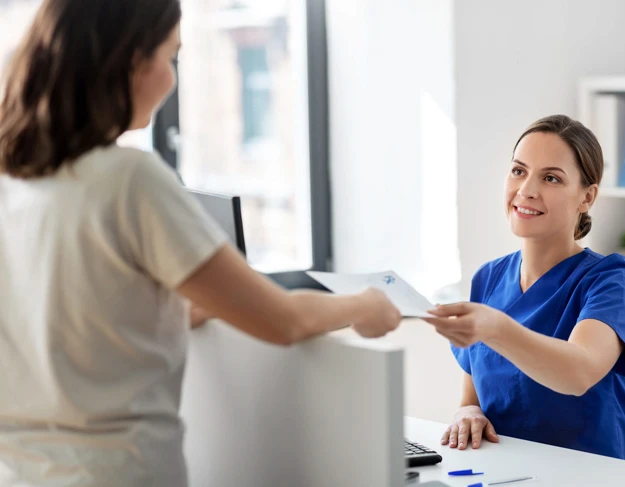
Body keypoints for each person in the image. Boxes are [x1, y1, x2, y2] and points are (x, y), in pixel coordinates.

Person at [0, 1, 403, 486]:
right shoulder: (128, 179)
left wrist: (203, 304)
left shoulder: (15, 182)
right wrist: (364, 304)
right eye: (171, 57)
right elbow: (283, 321)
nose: (172, 79)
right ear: (131, 61)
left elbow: (83, 318)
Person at [425, 115, 625, 462]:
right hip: (504, 472)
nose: (526, 189)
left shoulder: (614, 279)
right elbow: (472, 398)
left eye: (551, 178)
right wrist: (467, 414)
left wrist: (496, 327)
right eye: (518, 171)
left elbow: (579, 373)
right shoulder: (489, 278)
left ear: (586, 197)